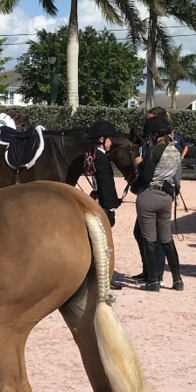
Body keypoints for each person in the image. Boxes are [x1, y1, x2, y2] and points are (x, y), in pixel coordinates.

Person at [134, 116, 184, 292]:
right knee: (166, 240)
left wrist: (139, 164)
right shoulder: (175, 151)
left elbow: (146, 177)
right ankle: (177, 280)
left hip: (149, 196)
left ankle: (153, 281)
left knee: (149, 239)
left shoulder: (154, 150)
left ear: (154, 135)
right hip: (165, 198)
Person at [132, 107, 167, 285]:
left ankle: (156, 274)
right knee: (142, 233)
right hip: (155, 192)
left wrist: (139, 165)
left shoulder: (159, 145)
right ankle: (150, 270)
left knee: (152, 236)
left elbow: (149, 173)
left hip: (153, 192)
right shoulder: (152, 142)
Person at [87, 120, 123, 290]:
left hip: (97, 198)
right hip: (103, 203)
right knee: (105, 243)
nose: (111, 142)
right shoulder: (101, 159)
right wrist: (112, 206)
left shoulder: (96, 156)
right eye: (109, 139)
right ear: (101, 139)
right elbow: (106, 184)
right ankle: (105, 278)